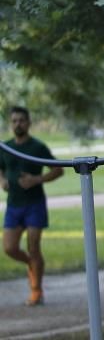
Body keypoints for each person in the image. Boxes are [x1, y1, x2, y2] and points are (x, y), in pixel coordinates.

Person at [0, 106, 63, 306]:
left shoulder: (38, 147)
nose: (18, 124)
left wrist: (37, 179)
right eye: (14, 121)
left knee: (34, 247)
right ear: (11, 124)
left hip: (34, 204)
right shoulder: (6, 147)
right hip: (14, 205)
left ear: (29, 123)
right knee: (9, 248)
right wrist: (2, 181)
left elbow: (58, 170)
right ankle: (31, 264)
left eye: (21, 120)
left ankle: (36, 291)